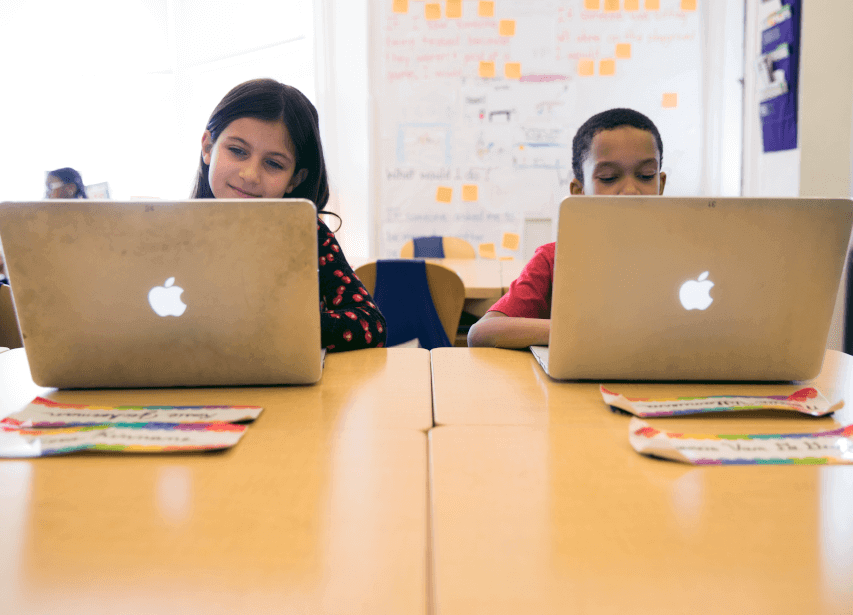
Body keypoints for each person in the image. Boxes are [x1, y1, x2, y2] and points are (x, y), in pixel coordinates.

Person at [191, 78, 386, 352]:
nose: (250, 175)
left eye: (273, 163)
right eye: (237, 151)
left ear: (294, 179)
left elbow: (370, 325)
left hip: (286, 389)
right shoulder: (171, 231)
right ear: (208, 146)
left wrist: (281, 328)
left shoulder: (307, 234)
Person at [468, 107, 667, 348]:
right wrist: (581, 331)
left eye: (646, 175)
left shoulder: (681, 256)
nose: (630, 191)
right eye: (608, 177)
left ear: (661, 183)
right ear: (579, 192)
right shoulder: (554, 259)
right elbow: (482, 333)